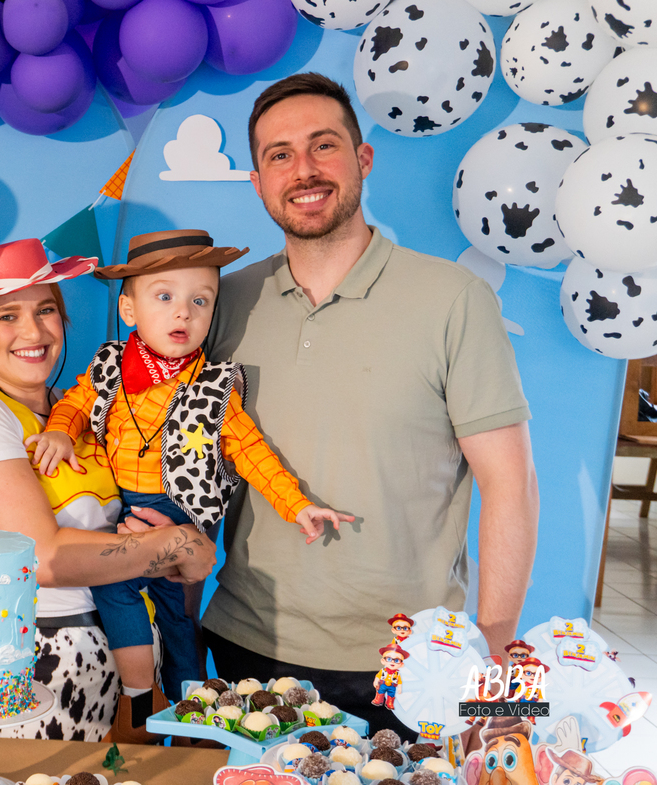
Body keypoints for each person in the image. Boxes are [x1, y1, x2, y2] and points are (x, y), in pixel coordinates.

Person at [203, 73, 540, 736]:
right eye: (280, 154)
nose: (304, 170)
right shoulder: (222, 302)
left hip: (412, 663)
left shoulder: (454, 299)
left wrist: (497, 659)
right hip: (245, 645)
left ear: (363, 159)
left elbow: (511, 484)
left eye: (324, 145)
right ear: (259, 183)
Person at [29, 228, 350, 716]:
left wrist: (298, 506)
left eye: (200, 301)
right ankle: (140, 698)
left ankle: (190, 712)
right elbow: (75, 403)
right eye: (165, 297)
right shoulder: (110, 365)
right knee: (114, 586)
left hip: (182, 511)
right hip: (123, 507)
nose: (183, 312)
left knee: (178, 616)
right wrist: (58, 431)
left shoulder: (215, 387)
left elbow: (253, 453)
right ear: (129, 310)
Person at [0, 238, 218, 742]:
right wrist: (176, 544)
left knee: (131, 773)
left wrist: (165, 542)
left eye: (46, 310)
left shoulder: (77, 409)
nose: (34, 331)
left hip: (126, 645)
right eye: (7, 316)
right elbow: (45, 558)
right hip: (43, 663)